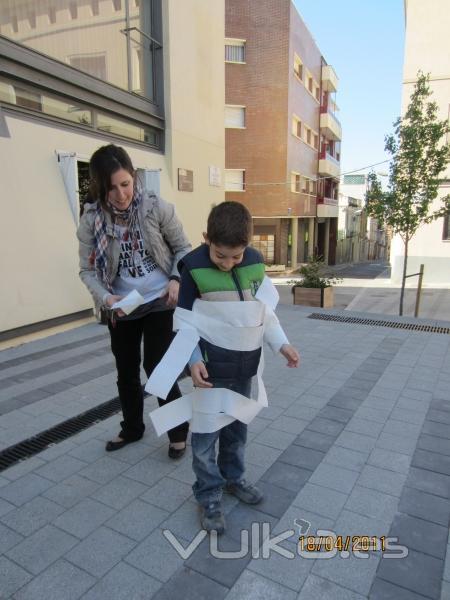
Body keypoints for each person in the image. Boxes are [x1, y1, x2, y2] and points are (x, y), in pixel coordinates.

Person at [177, 201, 300, 534]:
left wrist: (282, 344)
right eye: (220, 255)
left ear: (249, 245)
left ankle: (233, 478)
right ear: (206, 239)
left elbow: (265, 312)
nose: (228, 264)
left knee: (236, 432)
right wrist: (193, 360)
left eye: (236, 256)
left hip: (245, 367)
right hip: (210, 371)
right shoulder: (192, 267)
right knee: (204, 437)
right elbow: (184, 321)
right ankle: (208, 495)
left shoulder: (256, 265)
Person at [77, 144, 191, 458]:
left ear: (134, 178)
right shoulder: (91, 220)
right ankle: (132, 428)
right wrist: (104, 296)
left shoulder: (156, 208)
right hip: (122, 305)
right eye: (111, 188)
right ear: (100, 188)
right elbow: (87, 270)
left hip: (158, 299)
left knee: (156, 366)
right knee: (125, 370)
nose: (121, 194)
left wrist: (175, 279)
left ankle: (178, 431)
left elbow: (183, 248)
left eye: (125, 184)